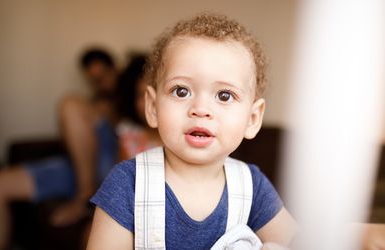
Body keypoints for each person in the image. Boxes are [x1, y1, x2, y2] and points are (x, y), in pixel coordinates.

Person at [87, 13, 299, 249]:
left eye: (224, 95)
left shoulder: (252, 186)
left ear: (252, 118)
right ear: (153, 107)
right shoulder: (128, 184)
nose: (200, 109)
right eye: (181, 91)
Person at [0, 48, 119, 250]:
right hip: (80, 166)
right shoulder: (92, 103)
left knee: (70, 104)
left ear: (115, 69)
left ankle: (84, 197)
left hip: (112, 163)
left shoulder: (131, 94)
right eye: (94, 80)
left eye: (103, 77)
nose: (100, 84)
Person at [115, 54, 161, 160]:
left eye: (156, 93)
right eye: (141, 95)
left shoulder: (185, 136)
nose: (150, 103)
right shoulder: (129, 138)